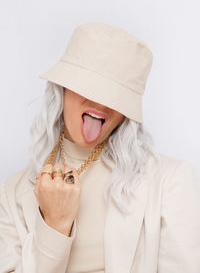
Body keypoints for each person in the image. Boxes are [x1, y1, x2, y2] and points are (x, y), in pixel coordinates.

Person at [0, 22, 200, 273]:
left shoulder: (170, 180)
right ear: (62, 88)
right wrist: (54, 225)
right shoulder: (11, 193)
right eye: (87, 84)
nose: (100, 101)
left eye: (116, 93)